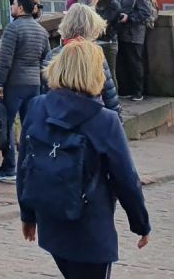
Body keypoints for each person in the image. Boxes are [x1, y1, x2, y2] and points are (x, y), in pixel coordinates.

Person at [17, 38, 151, 277]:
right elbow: (126, 179)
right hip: (90, 229)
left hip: (51, 222)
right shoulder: (105, 120)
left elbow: (26, 165)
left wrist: (28, 214)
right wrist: (141, 224)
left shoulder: (37, 107)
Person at [0, 0, 50, 183]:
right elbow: (46, 59)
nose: (12, 7)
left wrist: (0, 83)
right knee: (30, 125)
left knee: (7, 125)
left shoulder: (13, 28)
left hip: (15, 83)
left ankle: (9, 167)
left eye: (14, 4)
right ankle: (31, 165)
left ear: (21, 8)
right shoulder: (42, 31)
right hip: (34, 84)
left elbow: (5, 60)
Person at [43, 3, 119, 111]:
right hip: (90, 113)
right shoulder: (95, 55)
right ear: (91, 28)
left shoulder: (52, 55)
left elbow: (46, 92)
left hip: (58, 113)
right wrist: (116, 117)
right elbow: (109, 95)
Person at [111, 0, 154, 102]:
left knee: (134, 63)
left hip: (134, 34)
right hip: (121, 32)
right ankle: (126, 90)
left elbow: (145, 12)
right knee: (122, 63)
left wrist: (129, 18)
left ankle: (138, 92)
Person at [93, 0, 120, 79]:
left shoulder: (114, 5)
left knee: (110, 74)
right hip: (98, 42)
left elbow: (104, 23)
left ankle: (114, 90)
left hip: (108, 43)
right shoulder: (99, 2)